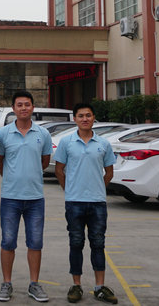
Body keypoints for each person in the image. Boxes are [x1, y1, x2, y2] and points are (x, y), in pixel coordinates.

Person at [53, 103, 117, 304]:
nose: (85, 119)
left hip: (97, 203)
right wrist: (69, 189)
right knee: (76, 243)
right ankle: (76, 285)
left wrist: (98, 189)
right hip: (74, 202)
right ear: (75, 119)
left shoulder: (103, 143)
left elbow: (109, 172)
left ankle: (99, 287)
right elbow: (59, 170)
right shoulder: (66, 142)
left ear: (93, 118)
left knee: (98, 244)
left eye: (88, 115)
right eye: (80, 116)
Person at [0, 91, 51, 302]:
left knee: (35, 242)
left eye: (27, 104)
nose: (23, 108)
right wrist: (11, 177)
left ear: (33, 107)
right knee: (8, 241)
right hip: (10, 197)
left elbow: (45, 161)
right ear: (13, 108)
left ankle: (34, 284)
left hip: (35, 198)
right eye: (19, 105)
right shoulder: (3, 134)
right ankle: (6, 283)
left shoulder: (43, 134)